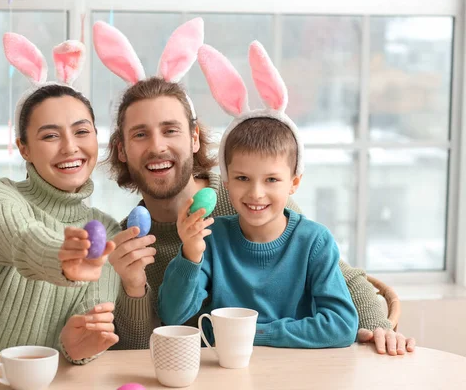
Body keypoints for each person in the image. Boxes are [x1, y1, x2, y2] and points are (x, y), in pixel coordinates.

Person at [94, 20, 416, 355]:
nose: (158, 146)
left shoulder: (245, 202)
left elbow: (343, 280)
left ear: (194, 138)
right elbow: (139, 348)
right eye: (140, 134)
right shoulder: (128, 241)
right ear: (122, 149)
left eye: (170, 130)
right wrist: (133, 286)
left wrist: (379, 328)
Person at [0, 33, 128, 364]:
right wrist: (59, 257)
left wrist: (76, 347)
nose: (70, 148)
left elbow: (84, 327)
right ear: (24, 148)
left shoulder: (107, 232)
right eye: (50, 135)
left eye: (82, 131)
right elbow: (23, 238)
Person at [158, 41, 358, 348]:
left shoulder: (313, 241)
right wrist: (190, 253)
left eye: (272, 179)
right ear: (225, 181)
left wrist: (253, 334)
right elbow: (172, 315)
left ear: (294, 183)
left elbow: (342, 326)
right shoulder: (213, 238)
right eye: (242, 178)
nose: (256, 192)